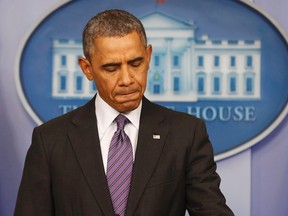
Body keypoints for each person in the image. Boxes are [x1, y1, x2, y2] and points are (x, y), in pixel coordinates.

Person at [14, 9, 234, 216]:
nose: (127, 80)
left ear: (148, 57)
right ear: (87, 69)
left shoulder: (186, 133)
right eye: (111, 68)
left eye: (136, 63)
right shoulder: (50, 140)